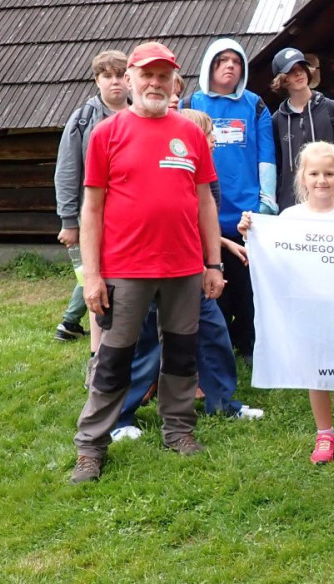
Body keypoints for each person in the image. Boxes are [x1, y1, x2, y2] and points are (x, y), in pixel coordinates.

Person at [70, 41, 223, 483]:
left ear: (174, 82)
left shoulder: (191, 133)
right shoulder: (107, 133)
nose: (154, 83)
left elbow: (205, 204)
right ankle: (91, 447)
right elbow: (92, 209)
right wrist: (93, 275)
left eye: (163, 76)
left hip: (183, 267)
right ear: (131, 80)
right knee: (114, 359)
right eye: (147, 75)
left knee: (181, 353)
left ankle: (179, 430)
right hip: (124, 269)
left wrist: (212, 264)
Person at [109, 108, 263, 443]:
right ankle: (122, 417)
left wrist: (215, 261)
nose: (212, 140)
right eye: (207, 134)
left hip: (191, 270)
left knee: (213, 335)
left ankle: (223, 403)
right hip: (150, 269)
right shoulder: (165, 172)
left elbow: (200, 222)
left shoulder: (206, 176)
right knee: (147, 343)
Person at [239, 142, 334, 464]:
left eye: (329, 173)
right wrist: (251, 234)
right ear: (302, 178)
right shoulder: (290, 217)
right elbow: (273, 256)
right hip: (307, 311)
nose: (322, 180)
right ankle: (324, 434)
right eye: (315, 173)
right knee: (315, 371)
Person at [184, 38, 277, 363]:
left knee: (248, 289)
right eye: (222, 60)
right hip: (204, 216)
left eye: (235, 61)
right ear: (209, 65)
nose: (229, 66)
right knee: (213, 290)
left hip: (247, 215)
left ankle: (249, 344)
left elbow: (267, 156)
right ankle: (215, 347)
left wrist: (264, 206)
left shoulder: (256, 105)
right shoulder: (190, 105)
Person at [54, 50, 129, 347]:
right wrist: (69, 221)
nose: (115, 83)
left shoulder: (143, 114)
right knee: (96, 279)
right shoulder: (84, 119)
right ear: (97, 80)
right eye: (107, 76)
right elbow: (68, 170)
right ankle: (98, 355)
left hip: (135, 217)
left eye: (121, 76)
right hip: (97, 215)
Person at [270, 47, 334, 211]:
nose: (299, 74)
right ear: (282, 79)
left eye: (301, 68)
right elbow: (276, 167)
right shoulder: (277, 120)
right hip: (292, 208)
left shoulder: (333, 110)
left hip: (332, 205)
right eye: (291, 71)